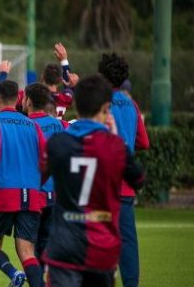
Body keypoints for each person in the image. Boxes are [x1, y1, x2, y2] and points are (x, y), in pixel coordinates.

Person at [44, 75, 145, 287]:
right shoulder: (115, 147)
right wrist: (117, 138)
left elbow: (40, 177)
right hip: (102, 249)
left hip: (64, 248)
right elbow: (138, 179)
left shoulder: (58, 143)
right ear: (106, 108)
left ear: (77, 106)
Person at [0, 74, 46, 287]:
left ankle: (13, 273)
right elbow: (45, 158)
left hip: (4, 191)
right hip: (32, 192)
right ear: (18, 99)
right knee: (27, 251)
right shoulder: (32, 125)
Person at [98, 53, 149, 287]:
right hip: (126, 185)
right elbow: (144, 142)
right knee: (128, 241)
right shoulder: (132, 104)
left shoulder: (100, 101)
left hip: (103, 182)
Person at [22, 83, 67, 278]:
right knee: (46, 243)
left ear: (29, 101)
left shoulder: (23, 125)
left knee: (27, 245)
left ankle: (38, 281)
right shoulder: (57, 124)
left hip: (33, 192)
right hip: (55, 193)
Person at [0, 43, 79, 119]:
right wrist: (64, 61)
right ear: (60, 80)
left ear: (42, 77)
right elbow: (69, 86)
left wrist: (3, 74)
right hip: (56, 133)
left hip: (33, 133)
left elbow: (2, 94)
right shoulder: (65, 98)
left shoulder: (28, 95)